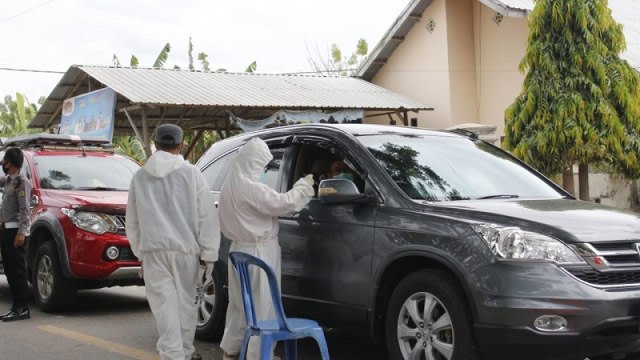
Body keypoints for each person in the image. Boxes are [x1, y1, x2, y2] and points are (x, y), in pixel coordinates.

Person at [126, 124, 220, 360]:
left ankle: (174, 354)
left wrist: (141, 253)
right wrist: (209, 254)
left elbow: (133, 221)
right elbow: (206, 216)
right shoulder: (191, 174)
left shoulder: (140, 177)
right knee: (186, 305)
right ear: (180, 145)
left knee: (164, 308)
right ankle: (184, 353)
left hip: (154, 253)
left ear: (156, 144)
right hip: (186, 251)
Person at [219, 137, 314, 360]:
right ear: (252, 163)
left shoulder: (229, 185)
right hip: (258, 253)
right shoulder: (250, 188)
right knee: (263, 307)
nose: (262, 170)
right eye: (261, 165)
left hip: (238, 251)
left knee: (240, 306)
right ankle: (258, 355)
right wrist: (305, 184)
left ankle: (232, 351)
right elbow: (284, 204)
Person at [0, 147, 33, 322]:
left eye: (5, 162)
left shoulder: (22, 182)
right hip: (5, 230)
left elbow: (25, 211)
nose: (3, 165)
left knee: (17, 271)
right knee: (10, 270)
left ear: (11, 163)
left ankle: (22, 307)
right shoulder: (9, 180)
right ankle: (16, 306)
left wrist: (21, 233)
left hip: (15, 231)